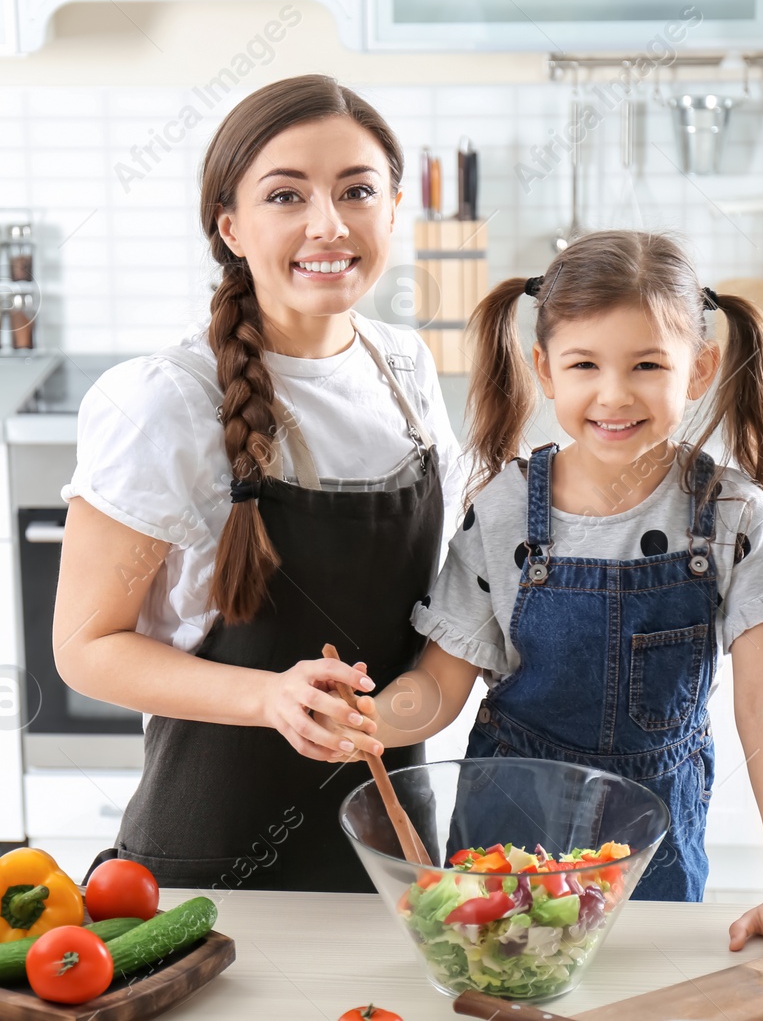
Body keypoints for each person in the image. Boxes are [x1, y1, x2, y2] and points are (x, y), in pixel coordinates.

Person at [357, 230, 763, 962]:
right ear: (544, 369)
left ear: (700, 368)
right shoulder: (502, 510)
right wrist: (366, 720)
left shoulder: (735, 516)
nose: (614, 394)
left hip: (649, 847)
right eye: (585, 364)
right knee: (499, 990)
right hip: (505, 834)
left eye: (648, 365)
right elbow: (439, 685)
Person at [52, 73, 463, 893]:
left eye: (357, 190)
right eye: (286, 195)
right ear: (231, 226)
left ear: (392, 211)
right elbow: (85, 649)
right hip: (209, 863)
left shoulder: (405, 368)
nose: (327, 224)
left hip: (390, 853)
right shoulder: (166, 400)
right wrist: (271, 700)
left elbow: (440, 614)